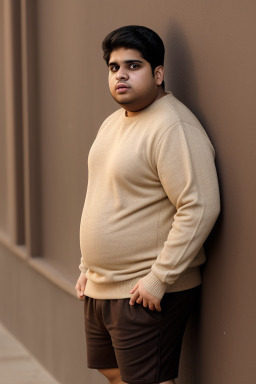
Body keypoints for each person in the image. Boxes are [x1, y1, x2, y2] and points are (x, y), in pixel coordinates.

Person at [75, 25, 220, 384]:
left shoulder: (173, 126)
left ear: (158, 74)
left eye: (133, 65)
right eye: (114, 67)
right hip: (102, 284)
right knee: (114, 373)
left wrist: (159, 279)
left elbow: (200, 207)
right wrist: (87, 266)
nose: (121, 74)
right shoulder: (113, 123)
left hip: (144, 290)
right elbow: (105, 197)